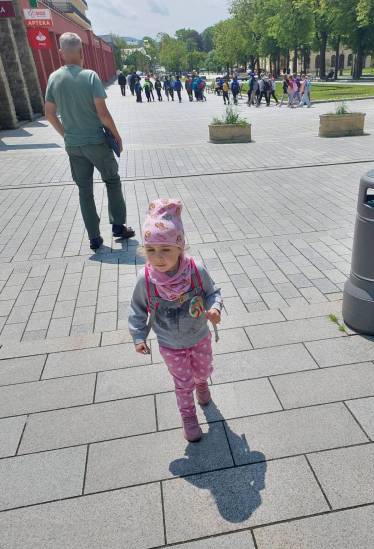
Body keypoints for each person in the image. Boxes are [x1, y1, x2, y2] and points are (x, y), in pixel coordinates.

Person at [128, 198, 222, 442]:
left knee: (204, 369)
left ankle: (202, 383)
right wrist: (138, 336)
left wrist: (214, 308)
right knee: (182, 383)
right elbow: (138, 309)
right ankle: (188, 417)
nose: (158, 257)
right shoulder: (146, 279)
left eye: (165, 249)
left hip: (199, 336)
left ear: (180, 247)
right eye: (151, 250)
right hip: (170, 344)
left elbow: (213, 292)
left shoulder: (196, 271)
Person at [44, 32, 134, 252]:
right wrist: (117, 134)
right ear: (81, 52)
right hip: (96, 142)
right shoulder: (90, 76)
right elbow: (103, 114)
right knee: (112, 180)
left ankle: (94, 238)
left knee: (84, 191)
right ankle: (118, 226)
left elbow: (49, 114)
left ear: (60, 53)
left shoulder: (54, 78)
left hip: (73, 145)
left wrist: (66, 134)